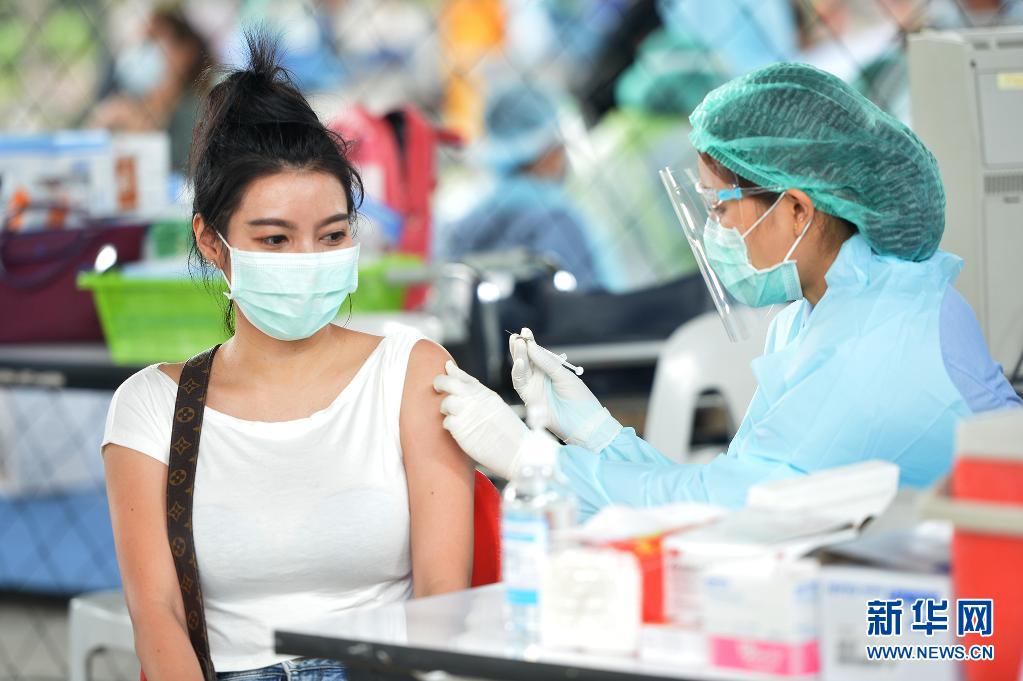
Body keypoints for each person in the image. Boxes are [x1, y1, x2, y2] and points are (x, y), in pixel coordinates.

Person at [434, 62, 1022, 519]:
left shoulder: (879, 335)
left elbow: (730, 509)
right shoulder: (825, 309)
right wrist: (595, 433)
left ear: (796, 210)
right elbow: (727, 484)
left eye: (720, 208)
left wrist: (532, 461)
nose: (714, 231)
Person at [102, 33, 473, 680]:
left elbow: (443, 597)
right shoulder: (152, 408)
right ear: (211, 242)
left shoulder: (410, 372)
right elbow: (156, 616)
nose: (308, 260)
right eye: (275, 239)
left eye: (331, 235)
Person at [437, 83, 603, 292]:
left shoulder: (466, 226)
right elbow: (590, 299)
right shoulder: (556, 220)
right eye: (559, 144)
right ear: (546, 151)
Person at [91, 6, 213, 171]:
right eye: (143, 42)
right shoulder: (124, 104)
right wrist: (99, 129)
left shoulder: (197, 114)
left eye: (154, 40)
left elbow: (186, 175)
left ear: (184, 53)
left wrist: (138, 139)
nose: (145, 51)